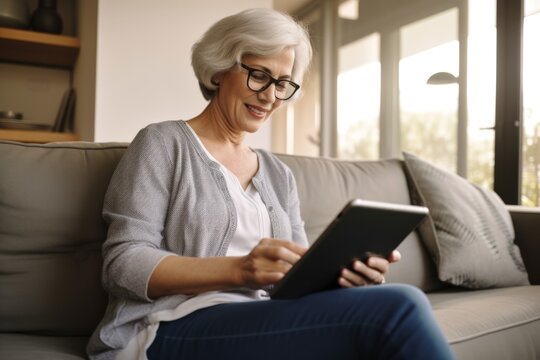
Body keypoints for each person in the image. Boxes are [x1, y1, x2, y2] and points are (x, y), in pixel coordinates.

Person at [87, 8, 455, 360]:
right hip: (169, 326)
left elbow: (298, 280)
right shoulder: (163, 143)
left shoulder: (278, 175)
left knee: (384, 305)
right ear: (219, 69)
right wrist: (239, 270)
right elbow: (123, 263)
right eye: (260, 75)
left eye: (282, 83)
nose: (270, 96)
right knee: (401, 306)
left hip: (265, 321)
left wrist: (347, 279)